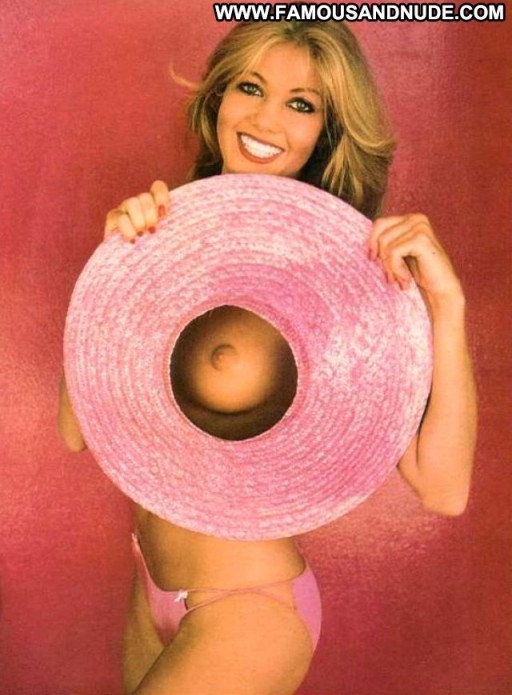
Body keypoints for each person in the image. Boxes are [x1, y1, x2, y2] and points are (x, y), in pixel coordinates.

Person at [58, 20, 477, 695]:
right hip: (151, 578)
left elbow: (444, 488)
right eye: (250, 88)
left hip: (249, 611)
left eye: (301, 104)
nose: (264, 119)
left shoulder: (345, 279)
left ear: (326, 132)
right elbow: (78, 430)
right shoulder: (167, 235)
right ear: (219, 99)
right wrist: (111, 276)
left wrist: (447, 305)